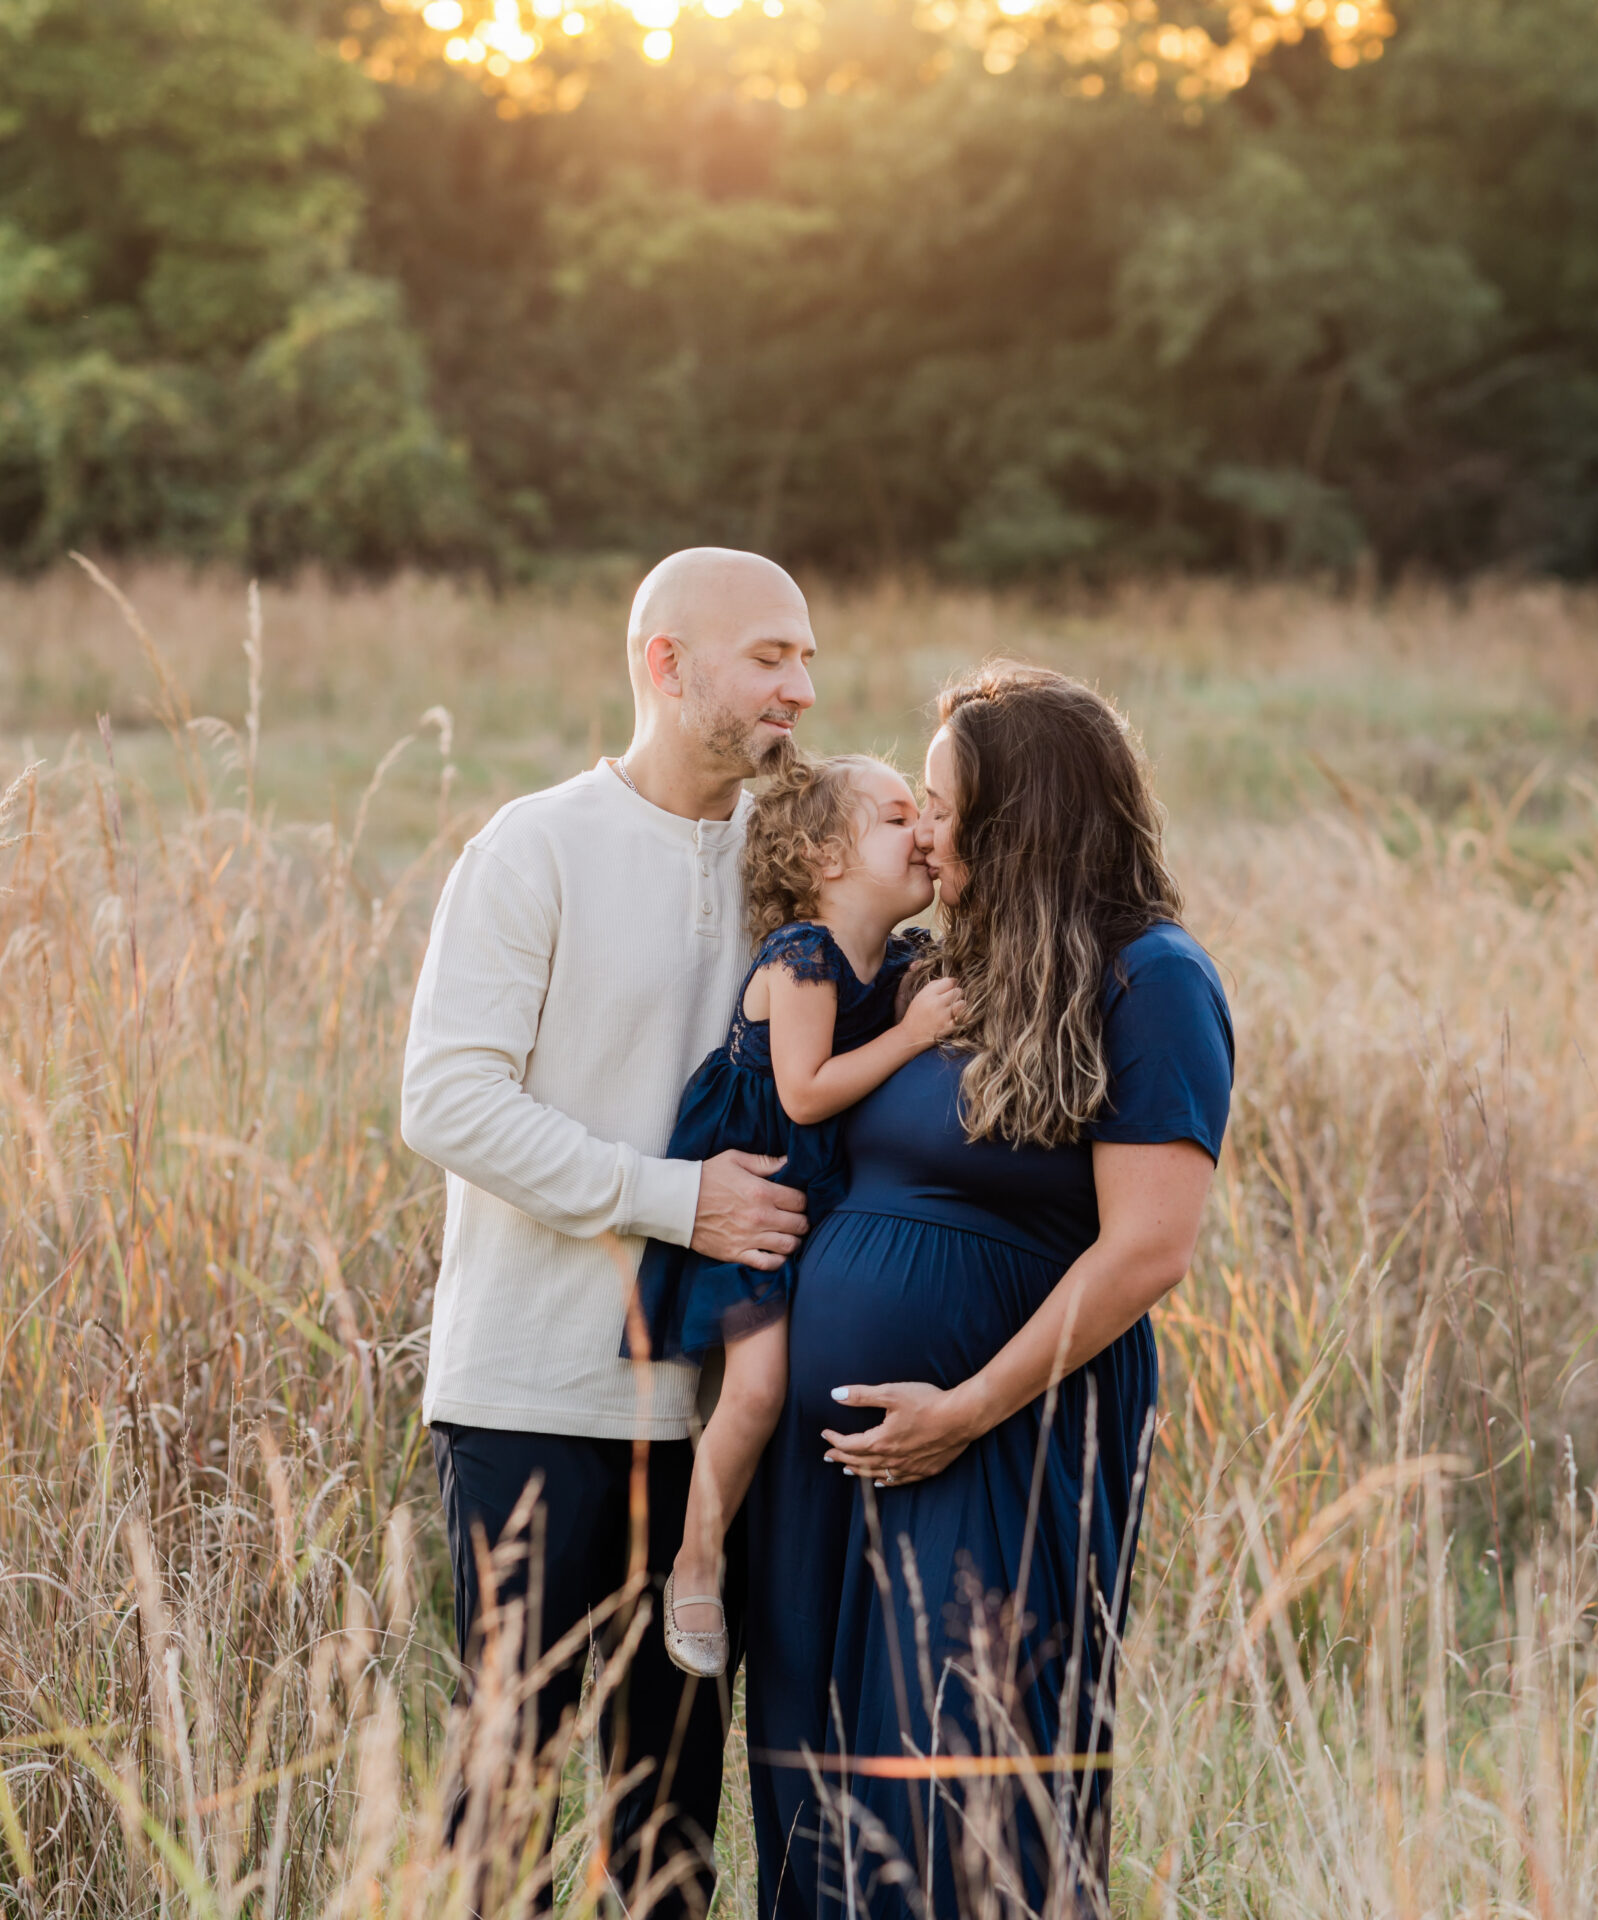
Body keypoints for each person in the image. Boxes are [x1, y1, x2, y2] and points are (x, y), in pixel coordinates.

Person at [746, 664, 1236, 1920]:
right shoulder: (931, 975)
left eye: (945, 806)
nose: (924, 830)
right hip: (825, 1459)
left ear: (1023, 818)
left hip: (999, 1437)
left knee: (963, 1782)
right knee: (816, 1777)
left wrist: (964, 1408)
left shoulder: (1151, 978)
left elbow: (1146, 1249)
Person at [400, 547, 821, 1918]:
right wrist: (673, 1196)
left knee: (670, 1824)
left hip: (711, 1424)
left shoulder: (790, 871)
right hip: (532, 1400)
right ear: (666, 662)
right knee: (502, 1810)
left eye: (807, 661)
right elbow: (448, 1099)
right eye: (769, 657)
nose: (799, 690)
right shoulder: (538, 844)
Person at [624, 753, 967, 1680]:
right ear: (824, 856)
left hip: (820, 1193)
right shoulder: (804, 956)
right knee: (760, 1386)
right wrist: (913, 1034)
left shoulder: (893, 959)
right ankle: (695, 1565)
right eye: (900, 818)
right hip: (760, 1185)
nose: (925, 833)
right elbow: (808, 1095)